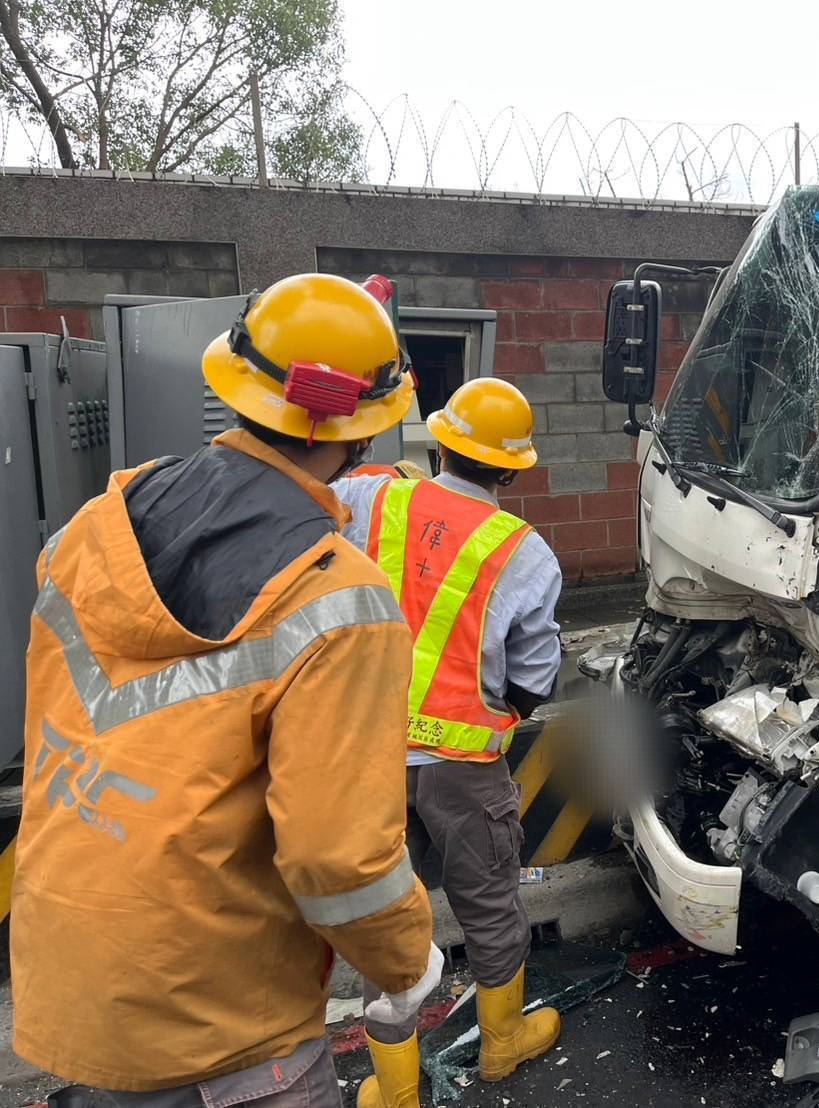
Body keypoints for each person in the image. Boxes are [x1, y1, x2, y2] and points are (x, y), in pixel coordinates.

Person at [11, 273, 443, 1105]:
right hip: (222, 1028)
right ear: (363, 433)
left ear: (238, 387)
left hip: (72, 985)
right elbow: (337, 860)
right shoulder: (339, 601)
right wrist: (408, 962)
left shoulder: (102, 522)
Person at [334, 376, 563, 1108]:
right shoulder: (524, 553)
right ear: (511, 468)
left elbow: (339, 495)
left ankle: (393, 1090)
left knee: (386, 915)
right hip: (463, 767)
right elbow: (534, 674)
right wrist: (501, 708)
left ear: (438, 442)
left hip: (363, 757)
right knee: (490, 903)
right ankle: (501, 1046)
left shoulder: (375, 500)